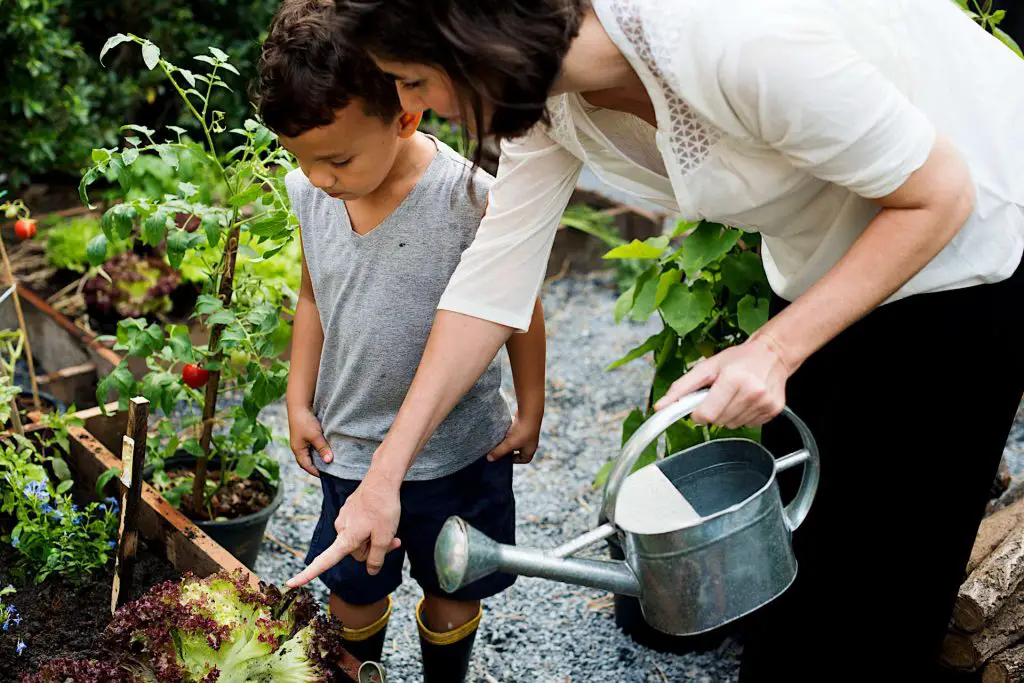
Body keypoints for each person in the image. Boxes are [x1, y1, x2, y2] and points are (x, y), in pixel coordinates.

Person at [286, 0, 1024, 679]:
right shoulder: (544, 100)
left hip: (968, 241)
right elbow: (488, 290)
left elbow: (941, 193)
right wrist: (384, 475)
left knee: (879, 591)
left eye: (414, 79)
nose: (410, 107)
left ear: (476, 40)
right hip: (832, 256)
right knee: (793, 562)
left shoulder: (724, 36)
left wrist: (772, 347)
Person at [256, 2, 547, 680]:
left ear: (406, 115)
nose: (319, 179)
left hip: (459, 451)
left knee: (454, 583)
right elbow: (311, 295)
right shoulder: (310, 190)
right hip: (352, 450)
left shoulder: (466, 197)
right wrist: (299, 399)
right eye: (300, 160)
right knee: (353, 592)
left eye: (337, 159)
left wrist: (529, 406)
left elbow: (517, 306)